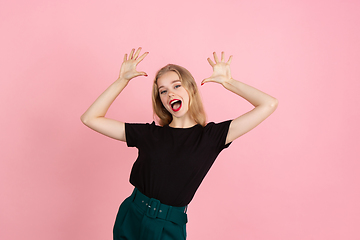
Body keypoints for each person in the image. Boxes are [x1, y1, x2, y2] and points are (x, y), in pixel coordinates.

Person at [80, 47, 278, 240]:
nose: (170, 94)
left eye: (176, 86)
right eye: (163, 91)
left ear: (190, 88)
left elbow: (269, 104)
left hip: (170, 225)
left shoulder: (212, 137)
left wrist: (229, 82)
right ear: (161, 100)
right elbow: (90, 118)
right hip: (133, 214)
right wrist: (122, 80)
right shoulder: (149, 134)